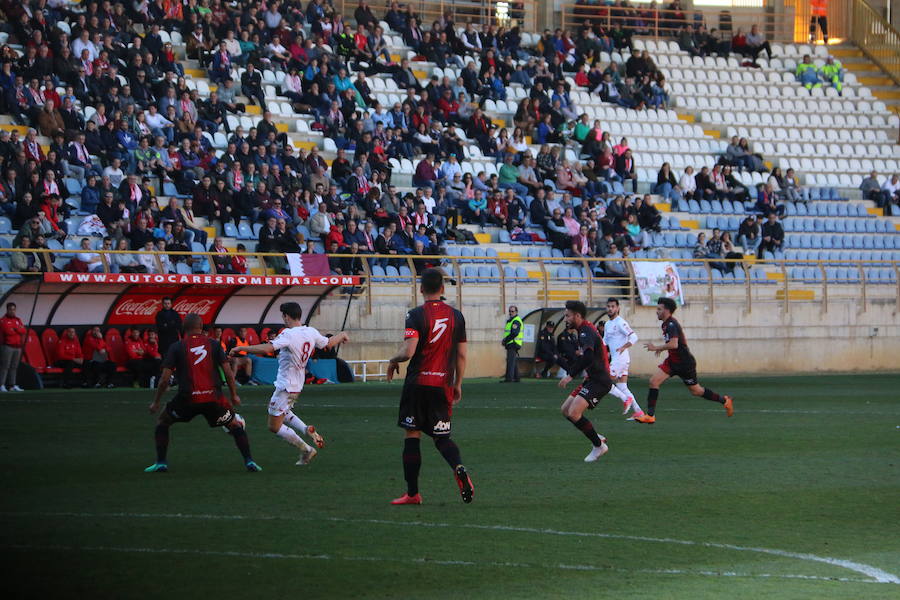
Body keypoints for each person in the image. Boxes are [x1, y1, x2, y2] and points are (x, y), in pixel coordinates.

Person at [386, 268, 473, 505]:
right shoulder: (457, 316)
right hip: (442, 384)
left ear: (421, 289)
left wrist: (393, 360)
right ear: (443, 289)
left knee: (412, 434)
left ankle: (413, 494)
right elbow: (462, 355)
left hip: (417, 383)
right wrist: (458, 384)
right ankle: (458, 466)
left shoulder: (415, 314)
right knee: (441, 437)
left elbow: (409, 350)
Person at [233, 302, 349, 465]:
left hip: (285, 386)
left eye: (283, 316)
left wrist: (241, 349)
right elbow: (328, 344)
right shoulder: (310, 331)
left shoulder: (288, 334)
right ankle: (305, 429)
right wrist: (342, 334)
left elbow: (267, 349)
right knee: (284, 411)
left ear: (286, 316)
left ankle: (306, 449)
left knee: (273, 426)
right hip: (297, 385)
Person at [145, 313, 261, 473]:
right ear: (201, 327)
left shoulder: (177, 346)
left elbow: (164, 379)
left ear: (184, 328)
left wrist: (156, 402)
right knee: (235, 425)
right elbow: (228, 373)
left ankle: (161, 463)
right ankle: (249, 461)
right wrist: (234, 395)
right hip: (213, 399)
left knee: (163, 421)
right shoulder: (213, 344)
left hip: (187, 399)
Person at [634, 298, 734, 424]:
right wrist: (663, 349)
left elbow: (674, 344)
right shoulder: (665, 324)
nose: (656, 311)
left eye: (659, 309)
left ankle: (725, 401)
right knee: (654, 381)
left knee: (696, 391)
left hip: (684, 363)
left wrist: (656, 348)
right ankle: (650, 416)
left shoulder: (671, 324)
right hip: (672, 362)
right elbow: (672, 344)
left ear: (667, 310)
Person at [557, 300, 612, 463]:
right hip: (591, 379)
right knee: (566, 410)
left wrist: (570, 375)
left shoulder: (585, 332)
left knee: (574, 413)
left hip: (600, 381)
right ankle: (596, 437)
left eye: (567, 316)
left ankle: (598, 446)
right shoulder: (583, 330)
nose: (565, 319)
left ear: (577, 316)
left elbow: (587, 356)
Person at [602, 298, 646, 420]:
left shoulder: (620, 322)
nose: (610, 309)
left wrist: (623, 347)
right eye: (608, 306)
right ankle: (639, 412)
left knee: (603, 381)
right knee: (622, 387)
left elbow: (634, 337)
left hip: (620, 359)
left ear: (618, 308)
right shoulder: (607, 324)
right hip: (618, 360)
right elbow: (604, 341)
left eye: (613, 306)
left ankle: (626, 399)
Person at [0, 302, 26, 392]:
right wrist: (17, 329)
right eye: (10, 309)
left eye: (14, 309)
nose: (12, 311)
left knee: (14, 367)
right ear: (7, 310)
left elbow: (23, 330)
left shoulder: (18, 319)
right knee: (5, 366)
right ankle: (1, 385)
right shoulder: (3, 320)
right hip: (7, 346)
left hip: (17, 346)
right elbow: (8, 331)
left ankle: (12, 385)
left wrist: (15, 329)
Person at [501, 305, 523, 383]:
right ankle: (517, 378)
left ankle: (509, 378)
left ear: (516, 312)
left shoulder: (516, 321)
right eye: (510, 311)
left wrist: (505, 340)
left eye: (512, 311)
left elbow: (514, 333)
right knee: (513, 361)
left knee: (510, 361)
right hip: (512, 343)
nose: (511, 313)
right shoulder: (511, 320)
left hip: (513, 343)